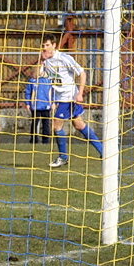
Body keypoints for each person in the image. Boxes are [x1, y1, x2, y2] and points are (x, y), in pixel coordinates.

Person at [39, 34, 103, 168]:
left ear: (54, 45)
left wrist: (80, 93)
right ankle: (103, 151)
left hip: (68, 98)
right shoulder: (45, 61)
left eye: (47, 45)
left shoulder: (64, 58)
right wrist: (40, 61)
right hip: (60, 98)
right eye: (43, 46)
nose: (44, 48)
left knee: (56, 126)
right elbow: (38, 75)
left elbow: (82, 73)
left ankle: (63, 157)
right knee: (79, 125)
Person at [23, 69, 52, 144]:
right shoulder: (32, 81)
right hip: (35, 106)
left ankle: (45, 140)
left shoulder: (48, 81)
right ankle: (34, 139)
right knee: (35, 123)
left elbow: (53, 92)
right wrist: (28, 103)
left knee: (46, 123)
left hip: (46, 106)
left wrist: (54, 103)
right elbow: (28, 92)